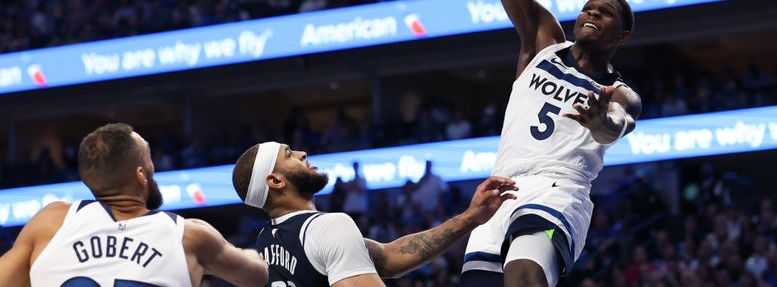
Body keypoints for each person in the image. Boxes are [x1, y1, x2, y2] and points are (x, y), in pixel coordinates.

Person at [460, 0, 642, 287]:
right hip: (500, 186)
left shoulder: (618, 92)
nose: (592, 14)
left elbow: (617, 126)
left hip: (558, 189)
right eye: (588, 8)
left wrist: (600, 123)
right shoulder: (543, 42)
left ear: (622, 36)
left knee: (523, 276)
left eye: (605, 13)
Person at [0, 123, 268, 287]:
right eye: (149, 159)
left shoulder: (52, 222)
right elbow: (257, 275)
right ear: (141, 174)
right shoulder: (188, 235)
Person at [232, 141, 518, 286]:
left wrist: (470, 217)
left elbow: (389, 258)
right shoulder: (329, 226)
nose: (302, 153)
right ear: (276, 181)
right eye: (289, 154)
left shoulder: (266, 241)